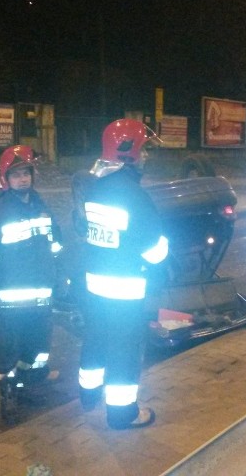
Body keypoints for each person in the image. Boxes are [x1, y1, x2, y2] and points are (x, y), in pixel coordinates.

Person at [76, 118, 168, 430]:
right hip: (125, 289)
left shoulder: (94, 189)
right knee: (125, 351)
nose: (146, 158)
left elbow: (84, 229)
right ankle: (122, 413)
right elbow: (153, 249)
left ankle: (88, 394)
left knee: (95, 339)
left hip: (94, 286)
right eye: (144, 151)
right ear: (129, 154)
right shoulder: (135, 196)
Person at [0, 144, 63, 420]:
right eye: (16, 175)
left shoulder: (42, 207)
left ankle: (32, 385)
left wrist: (60, 278)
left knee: (37, 346)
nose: (23, 179)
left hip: (41, 297)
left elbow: (56, 246)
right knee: (10, 347)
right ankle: (8, 392)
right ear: (5, 179)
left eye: (26, 173)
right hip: (10, 301)